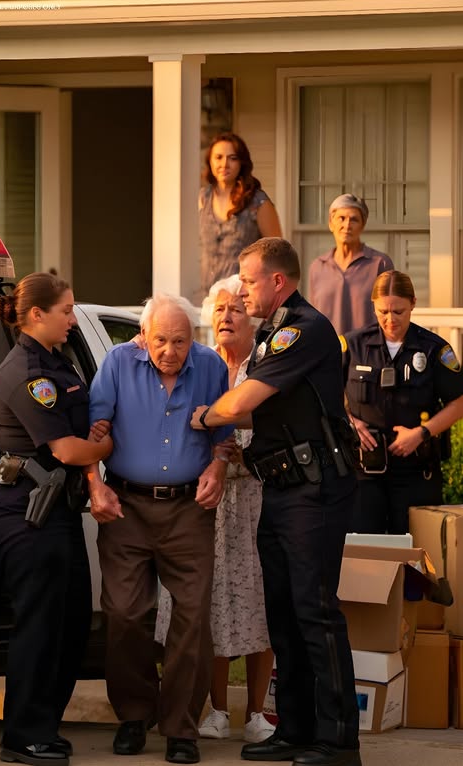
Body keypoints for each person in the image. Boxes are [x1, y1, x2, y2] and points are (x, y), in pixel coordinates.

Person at [191, 237, 361, 766]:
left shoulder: (302, 330)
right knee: (283, 615)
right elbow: (259, 412)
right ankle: (296, 729)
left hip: (314, 490)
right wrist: (219, 414)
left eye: (248, 280)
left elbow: (241, 402)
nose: (242, 291)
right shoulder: (272, 333)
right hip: (281, 486)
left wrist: (204, 416)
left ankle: (338, 742)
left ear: (278, 281)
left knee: (315, 611)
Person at [87, 293, 232, 766]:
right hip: (126, 506)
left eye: (181, 341)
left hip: (189, 509)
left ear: (194, 338)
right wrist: (94, 484)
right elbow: (95, 429)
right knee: (124, 612)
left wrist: (219, 468)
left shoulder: (210, 366)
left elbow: (224, 436)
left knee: (192, 617)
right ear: (143, 336)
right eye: (161, 340)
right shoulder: (117, 363)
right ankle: (135, 714)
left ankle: (181, 727)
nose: (170, 351)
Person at [0, 272, 113, 766]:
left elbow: (80, 432)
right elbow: (68, 449)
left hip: (56, 510)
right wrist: (107, 445)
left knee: (71, 623)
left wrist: (91, 439)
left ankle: (45, 727)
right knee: (38, 625)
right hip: (26, 514)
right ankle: (22, 736)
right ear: (37, 314)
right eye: (66, 310)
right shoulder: (27, 372)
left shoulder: (58, 362)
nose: (72, 318)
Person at [155, 275, 275, 744]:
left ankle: (258, 713)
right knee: (209, 605)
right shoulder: (199, 364)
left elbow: (273, 429)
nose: (226, 316)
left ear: (252, 319)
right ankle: (218, 710)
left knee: (258, 602)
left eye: (236, 309)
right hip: (204, 504)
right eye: (220, 309)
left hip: (253, 503)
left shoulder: (265, 367)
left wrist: (239, 455)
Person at [342, 269, 463, 534]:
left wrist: (422, 433)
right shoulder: (353, 345)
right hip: (364, 472)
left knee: (417, 549)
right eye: (383, 311)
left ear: (413, 304)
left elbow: (459, 402)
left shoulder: (434, 349)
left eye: (399, 311)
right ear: (373, 306)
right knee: (365, 550)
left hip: (416, 472)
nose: (390, 319)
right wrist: (350, 422)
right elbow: (323, 393)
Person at [199, 131, 282, 297]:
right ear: (210, 161)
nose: (224, 164)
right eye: (218, 157)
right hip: (209, 299)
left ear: (242, 163)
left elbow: (278, 255)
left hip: (245, 298)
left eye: (233, 158)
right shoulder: (203, 198)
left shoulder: (258, 202)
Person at [309, 193, 394, 335]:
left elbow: (391, 313)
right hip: (327, 347)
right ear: (331, 223)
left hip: (367, 347)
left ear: (363, 225)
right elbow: (313, 317)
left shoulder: (380, 263)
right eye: (341, 218)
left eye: (354, 219)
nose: (347, 225)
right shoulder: (317, 267)